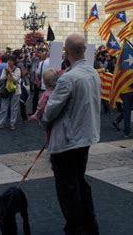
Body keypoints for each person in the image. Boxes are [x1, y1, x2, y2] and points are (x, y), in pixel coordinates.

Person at [41, 34, 100, 234]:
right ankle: (89, 223)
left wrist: (44, 120)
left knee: (67, 188)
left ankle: (75, 226)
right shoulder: (93, 72)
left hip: (67, 140)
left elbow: (50, 111)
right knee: (79, 181)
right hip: (86, 136)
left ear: (66, 51)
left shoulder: (67, 78)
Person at [0, 56, 21, 130]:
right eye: (9, 61)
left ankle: (12, 123)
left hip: (15, 90)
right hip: (6, 89)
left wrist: (10, 73)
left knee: (14, 108)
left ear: (14, 62)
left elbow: (15, 79)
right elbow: (1, 78)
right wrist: (7, 73)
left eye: (11, 61)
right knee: (3, 107)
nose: (9, 62)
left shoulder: (18, 70)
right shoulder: (5, 69)